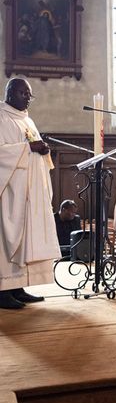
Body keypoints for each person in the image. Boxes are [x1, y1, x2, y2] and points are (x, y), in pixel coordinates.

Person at [0, 78, 60, 309]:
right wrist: (29, 148)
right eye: (23, 93)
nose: (27, 98)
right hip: (10, 191)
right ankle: (2, 290)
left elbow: (34, 146)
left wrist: (43, 150)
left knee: (23, 240)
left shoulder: (28, 120)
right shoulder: (2, 117)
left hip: (29, 190)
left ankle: (17, 286)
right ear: (9, 93)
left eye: (29, 95)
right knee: (7, 238)